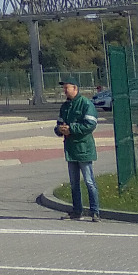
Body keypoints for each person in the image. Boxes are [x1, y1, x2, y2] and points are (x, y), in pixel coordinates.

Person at [55, 80, 100, 221]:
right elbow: (59, 124)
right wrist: (59, 130)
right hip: (70, 150)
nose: (65, 91)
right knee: (74, 183)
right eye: (64, 88)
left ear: (75, 88)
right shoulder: (65, 106)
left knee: (89, 181)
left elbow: (90, 125)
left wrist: (71, 129)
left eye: (66, 88)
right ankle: (77, 211)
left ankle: (95, 211)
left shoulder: (86, 104)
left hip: (84, 148)